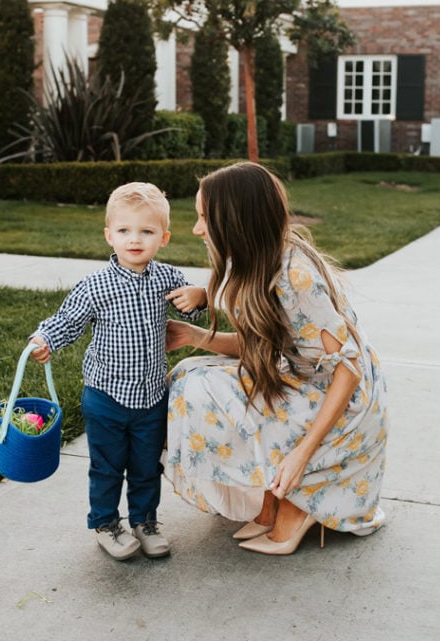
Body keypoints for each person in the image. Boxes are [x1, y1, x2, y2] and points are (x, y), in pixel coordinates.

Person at [163, 162, 388, 555]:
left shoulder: (296, 277)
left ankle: (298, 502)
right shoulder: (251, 257)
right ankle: (271, 498)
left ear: (234, 220)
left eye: (203, 218)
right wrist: (195, 337)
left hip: (346, 402)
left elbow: (348, 371)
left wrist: (302, 455)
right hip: (304, 379)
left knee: (200, 387)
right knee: (188, 374)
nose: (198, 229)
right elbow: (264, 345)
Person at [29, 182, 207, 561]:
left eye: (146, 231)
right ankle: (106, 523)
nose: (134, 240)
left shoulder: (167, 278)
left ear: (164, 237)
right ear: (109, 235)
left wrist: (200, 296)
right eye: (124, 231)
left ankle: (145, 521)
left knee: (145, 466)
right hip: (106, 397)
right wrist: (44, 340)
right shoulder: (95, 287)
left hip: (150, 396)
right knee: (108, 467)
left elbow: (193, 309)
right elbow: (67, 321)